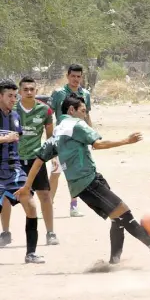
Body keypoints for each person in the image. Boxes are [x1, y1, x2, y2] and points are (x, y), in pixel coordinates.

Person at [14, 94, 150, 264]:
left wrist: (26, 186)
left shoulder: (58, 132)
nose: (85, 114)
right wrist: (126, 141)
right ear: (71, 110)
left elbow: (38, 161)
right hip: (88, 182)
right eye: (83, 110)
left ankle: (114, 261)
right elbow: (98, 144)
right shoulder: (76, 124)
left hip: (82, 184)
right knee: (124, 212)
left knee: (117, 218)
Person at [0, 77, 59, 246]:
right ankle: (5, 232)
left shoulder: (45, 110)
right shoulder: (12, 108)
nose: (29, 92)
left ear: (36, 91)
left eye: (32, 89)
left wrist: (53, 156)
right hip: (14, 161)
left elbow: (50, 136)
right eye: (25, 89)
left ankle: (50, 232)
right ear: (19, 92)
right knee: (6, 197)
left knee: (45, 195)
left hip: (36, 159)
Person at [0, 79, 44, 263]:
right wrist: (3, 139)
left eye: (14, 95)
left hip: (14, 169)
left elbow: (17, 138)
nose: (13, 99)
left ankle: (31, 253)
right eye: (9, 95)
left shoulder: (16, 116)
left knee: (31, 205)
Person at [49, 64, 92, 217]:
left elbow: (86, 115)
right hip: (62, 139)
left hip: (78, 139)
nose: (75, 79)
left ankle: (73, 206)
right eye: (73, 76)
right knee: (55, 172)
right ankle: (48, 205)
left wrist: (90, 135)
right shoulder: (59, 93)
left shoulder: (85, 94)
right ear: (67, 76)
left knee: (75, 174)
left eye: (78, 76)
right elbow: (49, 113)